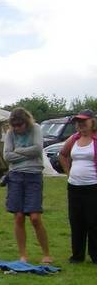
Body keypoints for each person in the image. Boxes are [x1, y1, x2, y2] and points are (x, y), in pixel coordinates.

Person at [3, 107, 52, 264]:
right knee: (18, 217)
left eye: (20, 125)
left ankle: (46, 254)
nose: (17, 128)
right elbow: (7, 156)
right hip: (16, 176)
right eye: (14, 125)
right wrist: (25, 153)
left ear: (27, 122)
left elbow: (38, 149)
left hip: (33, 175)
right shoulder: (10, 133)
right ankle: (23, 255)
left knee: (35, 218)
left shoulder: (36, 129)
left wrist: (18, 151)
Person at [58, 109, 97, 263]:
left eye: (84, 121)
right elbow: (62, 154)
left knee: (93, 222)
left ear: (92, 122)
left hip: (93, 186)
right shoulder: (74, 139)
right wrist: (69, 172)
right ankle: (77, 255)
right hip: (74, 187)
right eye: (78, 122)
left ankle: (95, 255)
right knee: (76, 221)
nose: (80, 125)